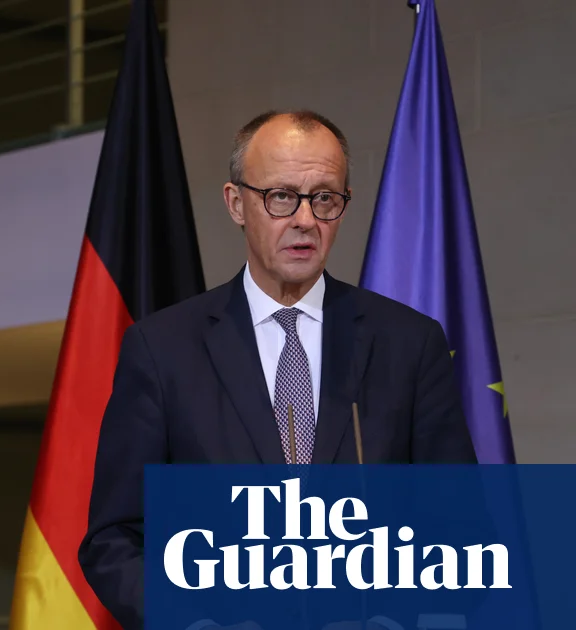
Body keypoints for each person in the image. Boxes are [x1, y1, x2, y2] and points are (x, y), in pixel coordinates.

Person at [77, 110, 478, 630]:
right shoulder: (162, 349)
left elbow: (459, 529)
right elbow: (115, 538)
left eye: (325, 198)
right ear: (236, 203)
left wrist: (393, 621)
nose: (306, 220)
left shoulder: (409, 343)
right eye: (282, 196)